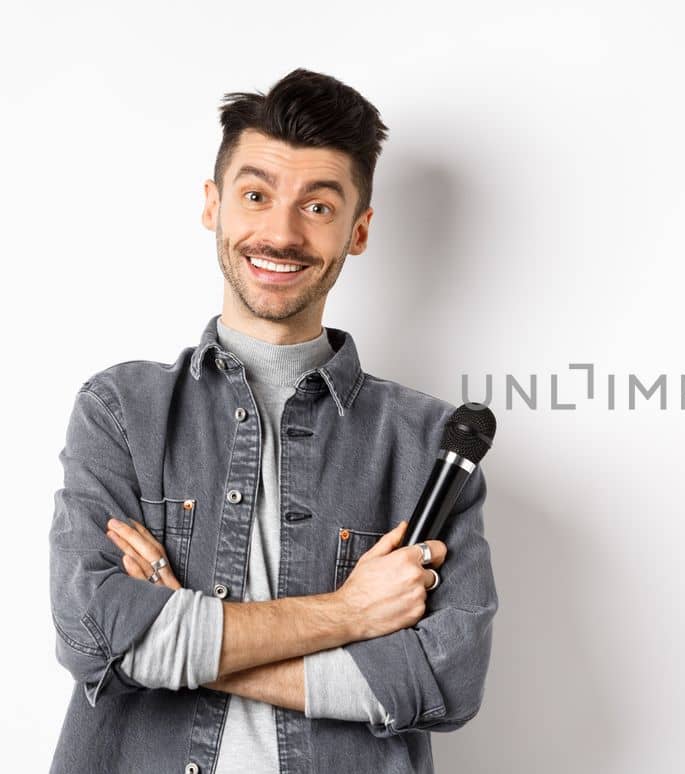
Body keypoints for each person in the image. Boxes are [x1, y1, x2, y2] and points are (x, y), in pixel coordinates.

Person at [46, 68, 498, 774]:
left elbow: (446, 681)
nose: (281, 233)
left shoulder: (427, 446)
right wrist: (350, 615)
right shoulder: (121, 412)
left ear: (359, 230)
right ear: (213, 205)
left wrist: (180, 645)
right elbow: (90, 637)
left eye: (318, 207)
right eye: (256, 196)